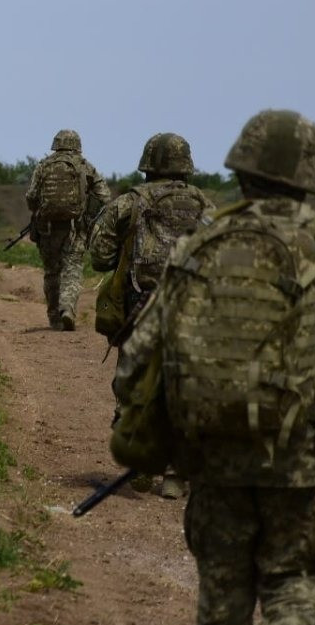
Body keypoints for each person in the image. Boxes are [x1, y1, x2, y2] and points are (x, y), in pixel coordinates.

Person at [113, 109, 315, 625]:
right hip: (300, 464)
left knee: (222, 596)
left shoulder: (198, 248)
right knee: (293, 586)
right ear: (310, 177)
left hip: (212, 461)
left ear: (240, 170)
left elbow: (136, 359)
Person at [89, 132, 216, 499]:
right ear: (187, 166)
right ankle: (176, 475)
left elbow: (99, 255)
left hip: (142, 307)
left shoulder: (129, 202)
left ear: (147, 164)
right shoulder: (207, 207)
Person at [25, 129, 112, 329]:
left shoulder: (43, 166)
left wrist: (41, 209)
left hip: (47, 229)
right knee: (72, 269)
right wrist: (89, 212)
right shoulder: (84, 166)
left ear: (55, 144)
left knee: (51, 272)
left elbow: (31, 197)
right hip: (75, 229)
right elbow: (105, 197)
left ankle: (54, 317)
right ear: (77, 145)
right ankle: (68, 309)